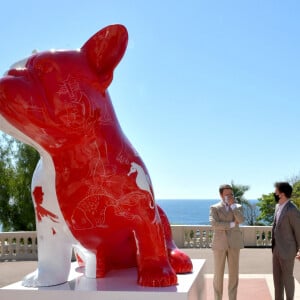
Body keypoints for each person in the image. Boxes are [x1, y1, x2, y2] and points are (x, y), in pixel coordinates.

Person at [209, 184, 244, 300]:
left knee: (234, 275)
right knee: (218, 275)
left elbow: (241, 220)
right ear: (221, 195)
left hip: (234, 244)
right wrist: (232, 224)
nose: (229, 196)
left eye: (231, 194)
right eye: (227, 194)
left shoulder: (238, 207)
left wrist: (233, 207)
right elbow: (214, 224)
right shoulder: (214, 208)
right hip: (219, 245)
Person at [272, 182, 300, 300]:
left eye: (276, 192)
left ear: (282, 194)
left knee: (287, 278)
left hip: (288, 251)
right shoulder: (277, 207)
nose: (274, 194)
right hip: (276, 250)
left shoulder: (292, 210)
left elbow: (299, 231)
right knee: (277, 279)